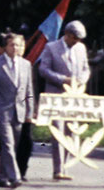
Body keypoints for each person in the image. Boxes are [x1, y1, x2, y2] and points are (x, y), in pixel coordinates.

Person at [0, 32, 36, 189]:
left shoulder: (26, 65)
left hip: (19, 111)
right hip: (2, 110)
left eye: (18, 45)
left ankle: (2, 177)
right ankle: (14, 176)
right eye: (12, 45)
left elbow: (29, 91)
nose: (15, 48)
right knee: (8, 143)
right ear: (5, 47)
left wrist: (30, 112)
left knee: (11, 146)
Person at [37, 20, 91, 180]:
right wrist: (63, 79)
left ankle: (65, 166)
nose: (77, 42)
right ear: (67, 35)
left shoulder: (81, 48)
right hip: (57, 96)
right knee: (58, 132)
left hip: (74, 97)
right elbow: (43, 70)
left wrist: (82, 79)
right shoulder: (51, 48)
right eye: (75, 38)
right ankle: (58, 169)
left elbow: (86, 68)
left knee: (71, 132)